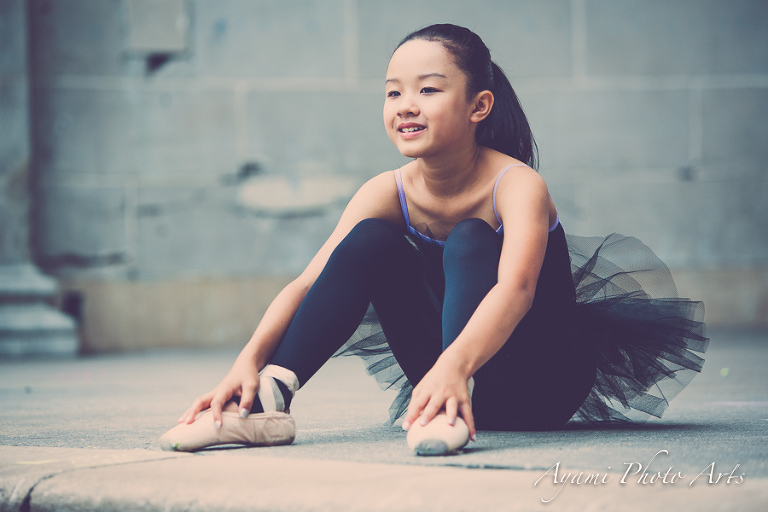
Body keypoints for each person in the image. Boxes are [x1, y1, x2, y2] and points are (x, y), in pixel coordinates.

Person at [160, 24, 708, 455]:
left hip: (537, 379)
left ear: (479, 106)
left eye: (428, 89)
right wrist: (249, 362)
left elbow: (516, 290)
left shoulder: (517, 185)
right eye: (393, 91)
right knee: (369, 240)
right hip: (444, 375)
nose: (406, 104)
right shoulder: (387, 190)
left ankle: (452, 401)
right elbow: (309, 283)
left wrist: (453, 369)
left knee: (471, 236)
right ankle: (267, 405)